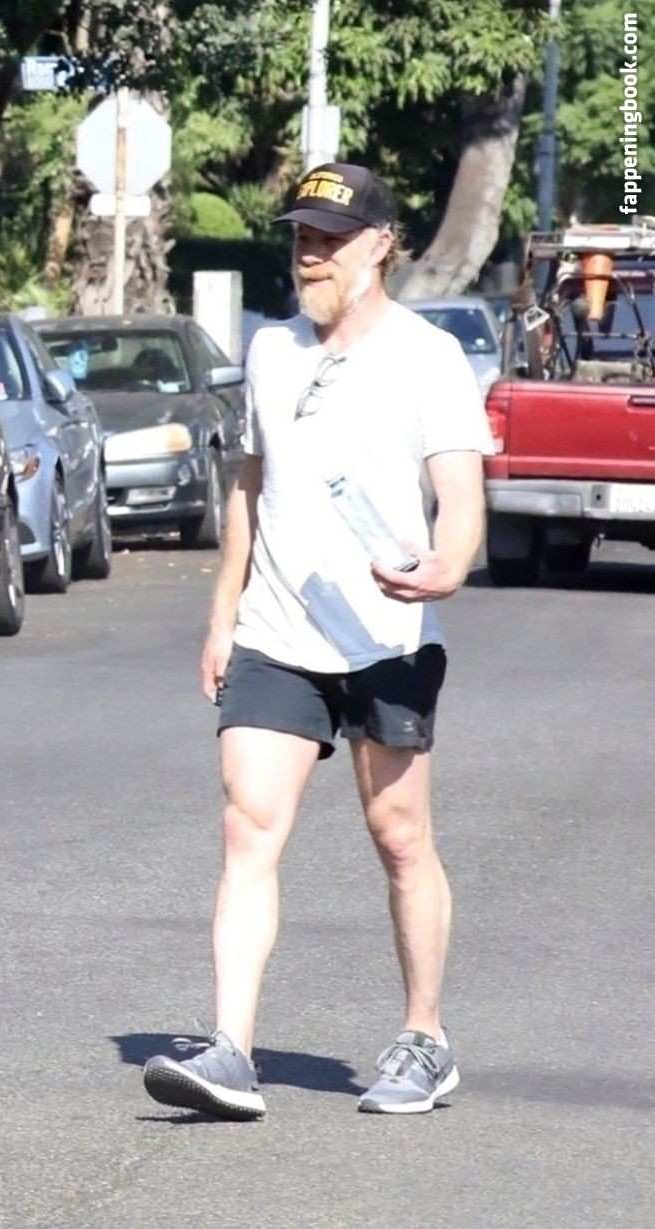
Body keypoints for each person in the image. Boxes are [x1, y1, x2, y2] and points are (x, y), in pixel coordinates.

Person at [142, 162, 494, 1120]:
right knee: (246, 825)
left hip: (388, 636)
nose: (310, 255)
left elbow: (461, 498)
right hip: (277, 629)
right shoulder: (270, 350)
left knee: (400, 836)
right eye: (301, 236)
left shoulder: (428, 357)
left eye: (330, 240)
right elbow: (250, 487)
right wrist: (224, 614)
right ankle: (230, 1051)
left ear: (381, 245)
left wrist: (448, 566)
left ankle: (425, 1036)